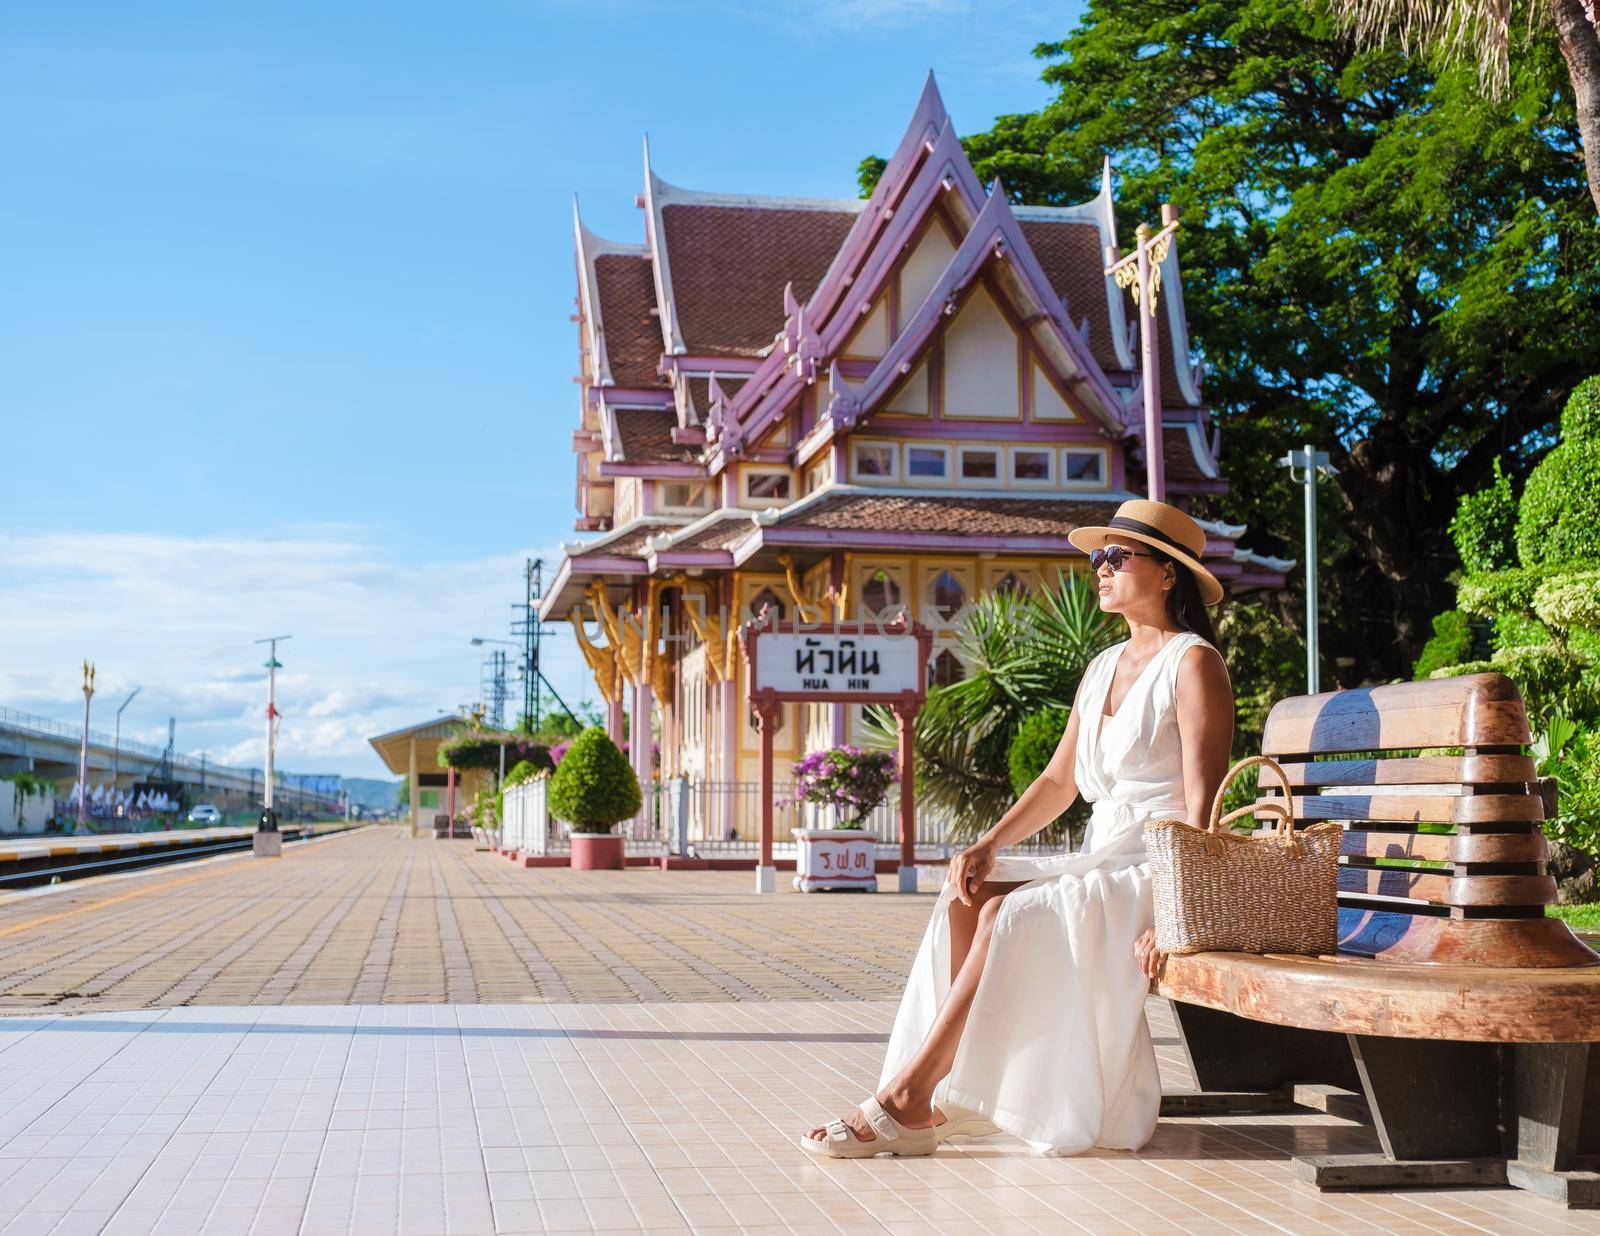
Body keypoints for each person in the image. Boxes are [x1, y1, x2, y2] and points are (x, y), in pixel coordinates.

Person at [802, 499, 1235, 1158]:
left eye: (1118, 557)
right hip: (1102, 853)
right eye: (1098, 557)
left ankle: (908, 1096)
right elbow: (1060, 782)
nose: (1101, 569)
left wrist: (1177, 918)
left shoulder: (1194, 663)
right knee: (966, 896)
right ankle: (950, 1097)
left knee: (1007, 911)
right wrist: (988, 842)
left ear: (1168, 574)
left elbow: (1204, 806)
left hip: (1157, 867)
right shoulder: (1100, 670)